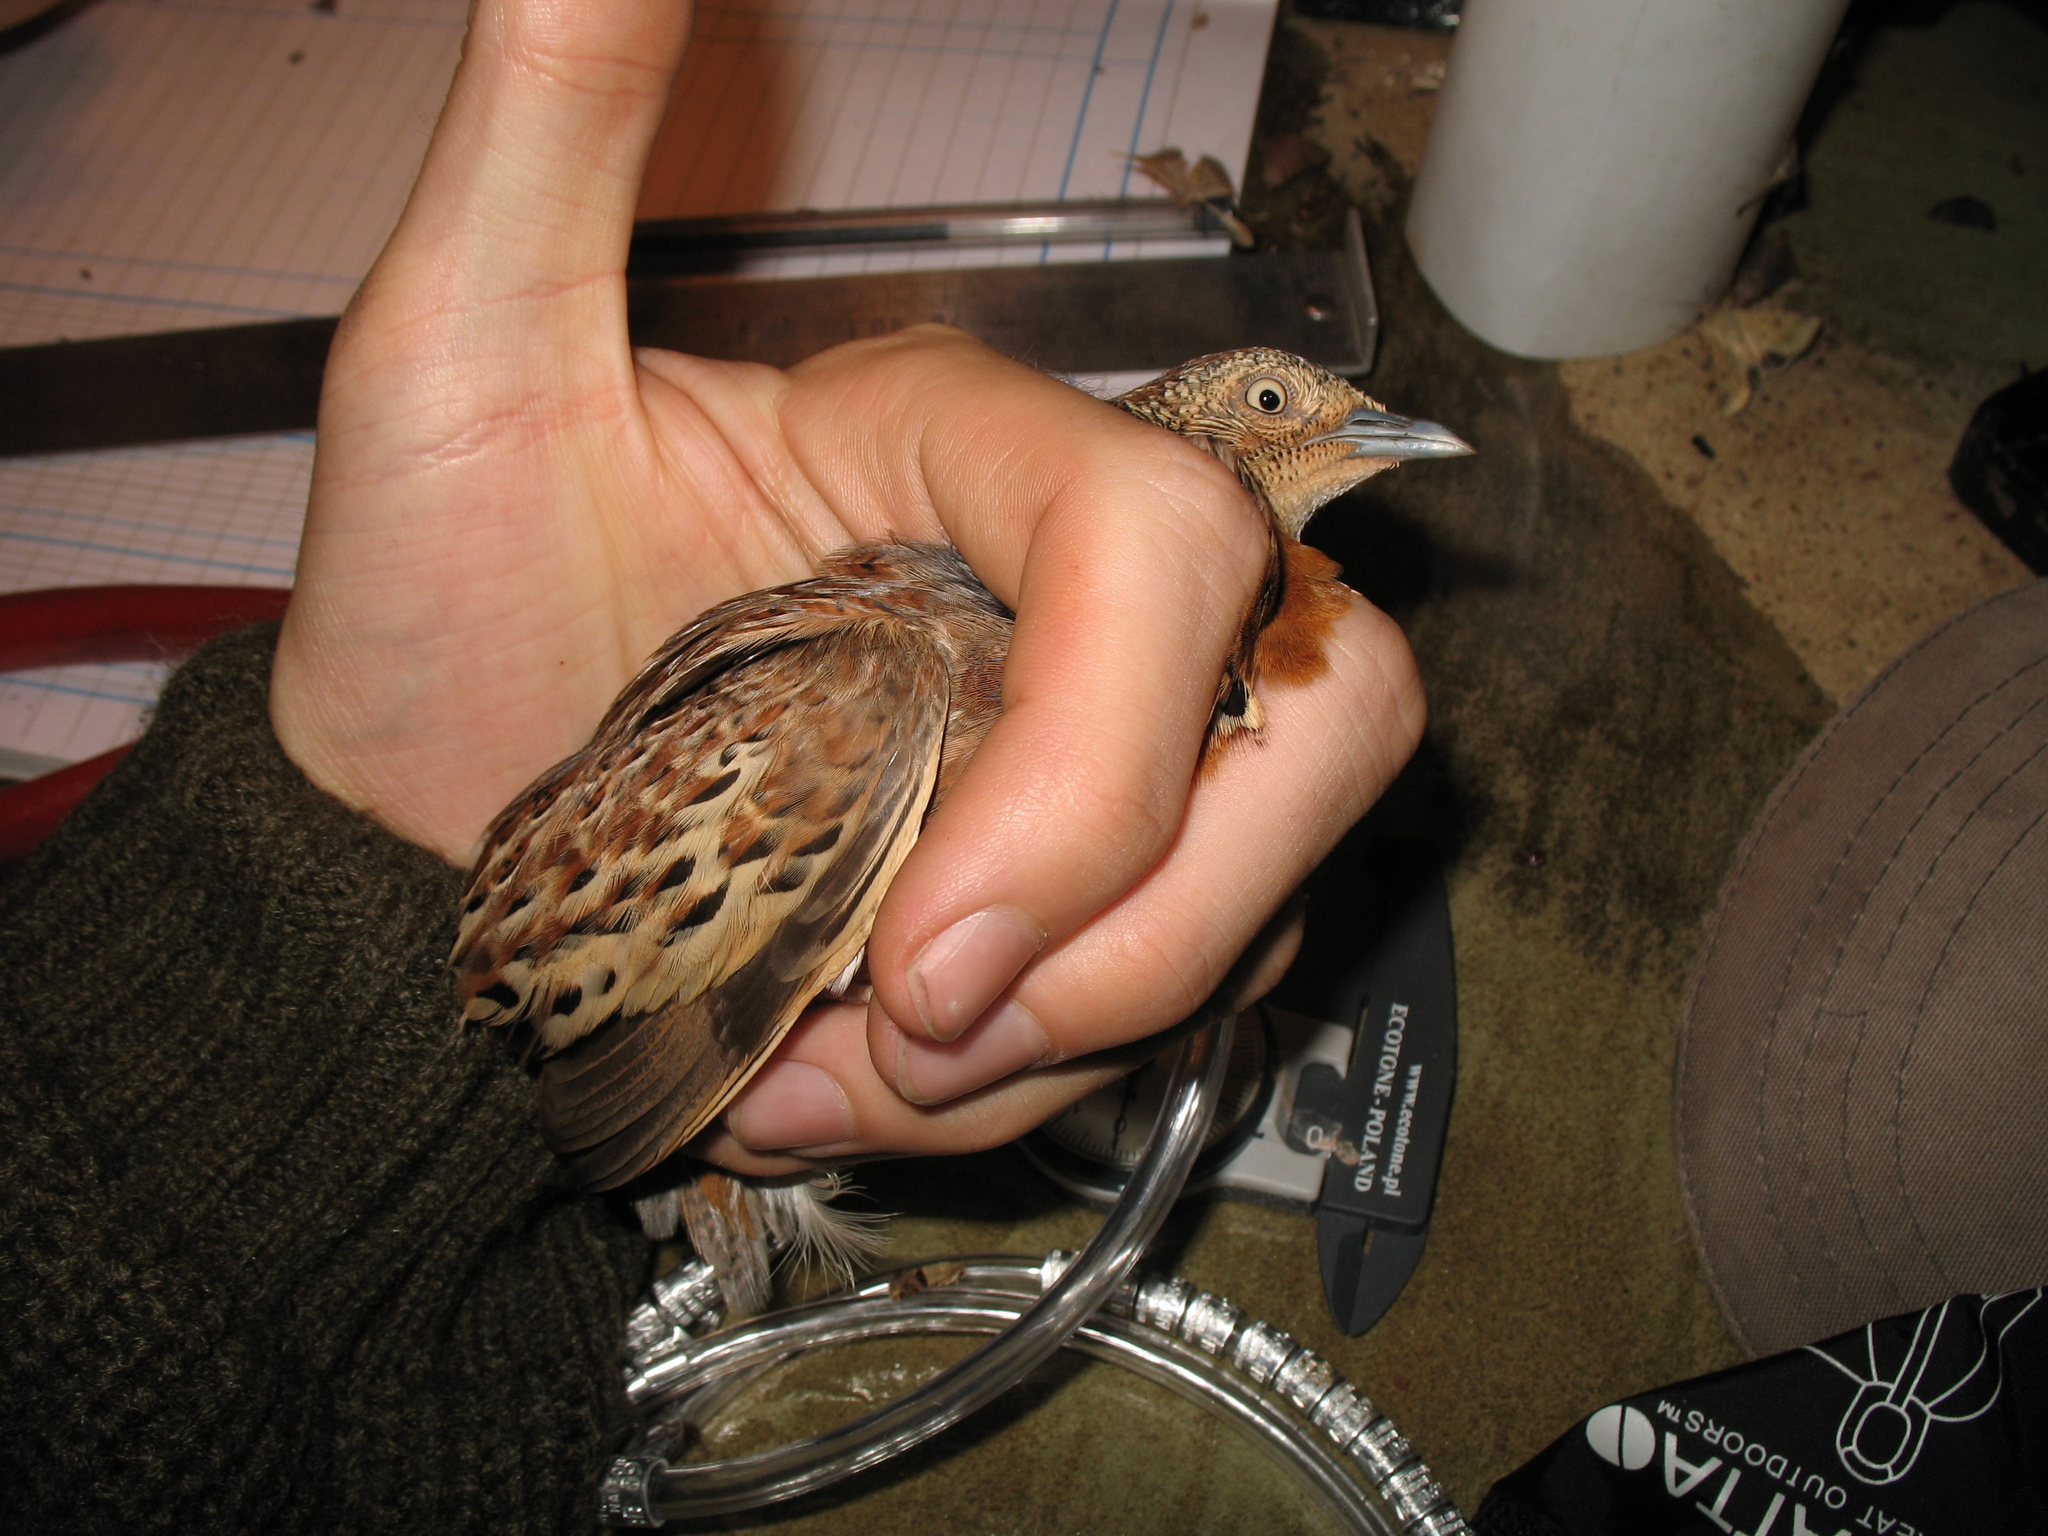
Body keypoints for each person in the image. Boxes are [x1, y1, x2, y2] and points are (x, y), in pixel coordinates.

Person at [0, 1, 1422, 1528]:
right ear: (1201, 431)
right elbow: (592, 1082)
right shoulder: (861, 704)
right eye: (1282, 405)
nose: (1344, 428)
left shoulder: (1122, 636)